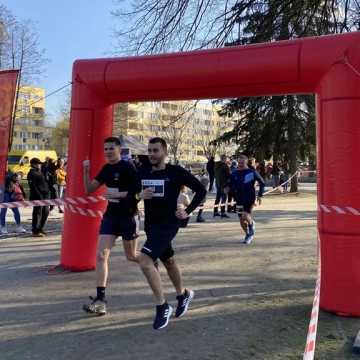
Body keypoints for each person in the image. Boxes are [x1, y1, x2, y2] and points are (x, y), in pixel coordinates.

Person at [138, 137, 206, 330]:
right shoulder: (142, 172)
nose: (151, 154)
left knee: (145, 260)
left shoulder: (175, 172)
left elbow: (201, 190)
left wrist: (188, 210)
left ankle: (162, 306)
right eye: (149, 150)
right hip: (151, 225)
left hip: (168, 224)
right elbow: (131, 193)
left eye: (155, 151)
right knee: (168, 261)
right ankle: (183, 294)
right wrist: (138, 196)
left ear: (164, 152)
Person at [82, 137, 141, 316]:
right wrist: (86, 171)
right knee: (101, 256)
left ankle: (150, 260)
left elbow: (139, 192)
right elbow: (89, 190)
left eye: (111, 148)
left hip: (129, 216)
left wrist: (119, 194)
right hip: (111, 217)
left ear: (119, 149)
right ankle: (101, 300)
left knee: (131, 256)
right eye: (105, 149)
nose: (107, 151)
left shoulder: (128, 166)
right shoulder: (106, 169)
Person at [228, 155, 265, 245]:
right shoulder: (234, 173)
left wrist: (260, 195)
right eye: (239, 163)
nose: (240, 165)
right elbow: (231, 186)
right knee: (241, 220)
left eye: (242, 163)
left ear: (246, 163)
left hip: (249, 198)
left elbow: (262, 183)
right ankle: (248, 234)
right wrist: (230, 194)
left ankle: (252, 225)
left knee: (245, 215)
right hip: (239, 199)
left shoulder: (252, 172)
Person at [27, 158, 50, 237]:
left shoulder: (39, 172)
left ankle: (40, 228)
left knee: (46, 212)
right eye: (38, 163)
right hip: (38, 196)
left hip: (45, 195)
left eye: (40, 163)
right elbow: (33, 186)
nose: (39, 165)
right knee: (37, 213)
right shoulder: (31, 173)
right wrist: (39, 196)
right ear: (33, 164)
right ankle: (35, 231)